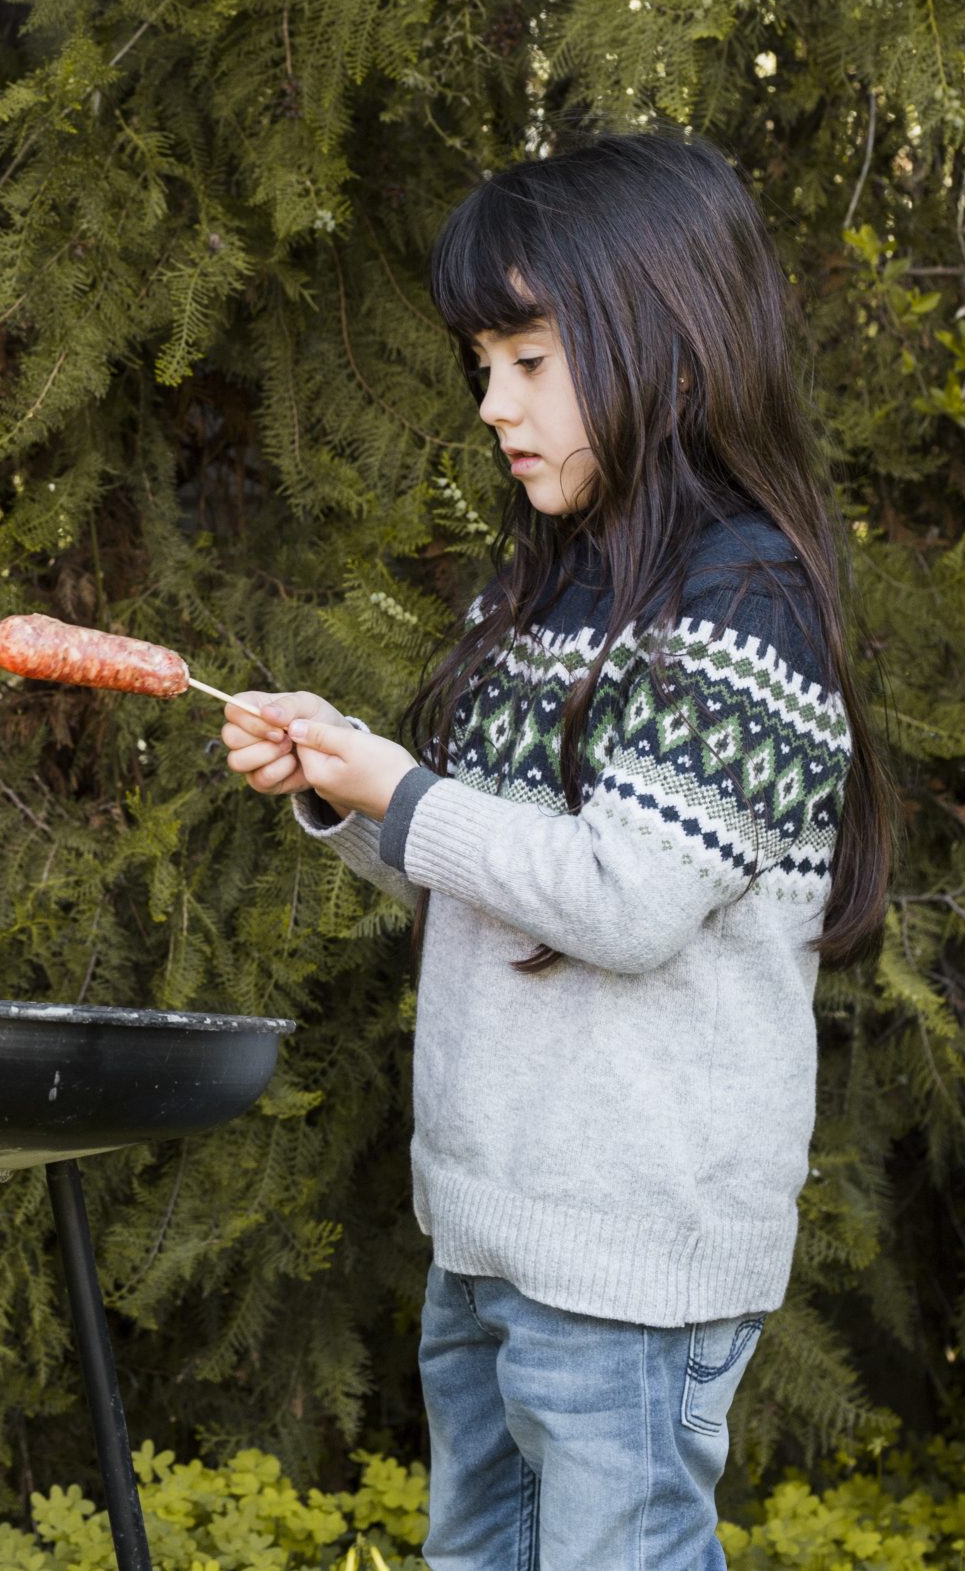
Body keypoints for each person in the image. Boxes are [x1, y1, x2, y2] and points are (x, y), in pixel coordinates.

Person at [219, 128, 895, 1569]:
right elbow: (490, 867)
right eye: (483, 364)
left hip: (632, 1258)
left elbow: (623, 899)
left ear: (671, 348)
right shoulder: (544, 590)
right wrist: (350, 786)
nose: (494, 404)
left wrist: (406, 790)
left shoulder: (742, 607)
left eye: (529, 360)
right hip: (493, 1231)